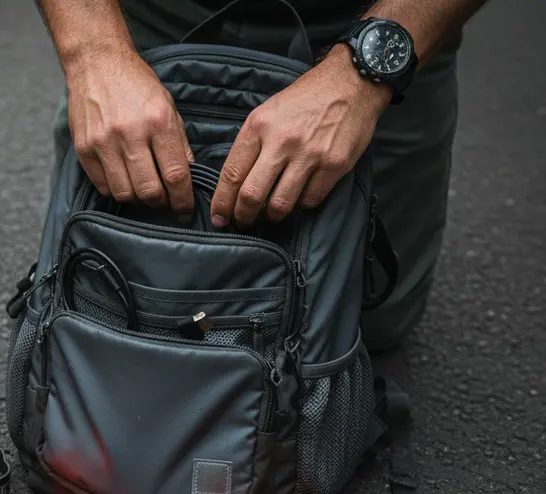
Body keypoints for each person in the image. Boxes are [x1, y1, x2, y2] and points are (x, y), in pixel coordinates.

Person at [35, 0, 488, 351]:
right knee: (86, 300)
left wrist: (362, 78)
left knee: (371, 321)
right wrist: (94, 56)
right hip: (149, 23)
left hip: (370, 26)